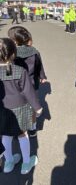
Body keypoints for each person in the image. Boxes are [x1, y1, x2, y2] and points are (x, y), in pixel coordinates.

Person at [0, 38, 43, 174]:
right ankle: (26, 163)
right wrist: (37, 107)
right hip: (20, 107)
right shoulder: (19, 71)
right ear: (13, 54)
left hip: (2, 109)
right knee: (22, 134)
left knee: (6, 136)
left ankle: (9, 162)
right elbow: (28, 92)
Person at [8, 26, 47, 137]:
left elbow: (8, 68)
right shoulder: (34, 51)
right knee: (32, 104)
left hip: (16, 84)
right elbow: (39, 65)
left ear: (15, 40)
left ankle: (19, 127)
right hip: (32, 82)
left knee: (18, 105)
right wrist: (42, 76)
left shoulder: (12, 52)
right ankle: (32, 128)